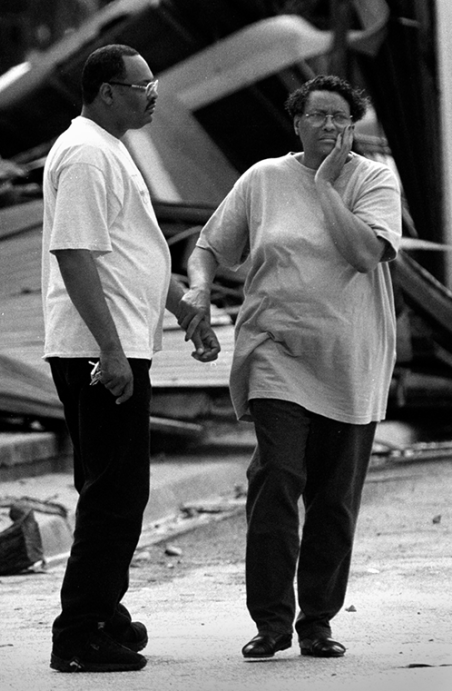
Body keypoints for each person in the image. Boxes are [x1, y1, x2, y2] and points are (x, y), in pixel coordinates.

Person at [181, 75, 402, 660]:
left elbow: (363, 253)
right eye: (318, 115)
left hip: (350, 361)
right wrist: (199, 293)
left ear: (353, 126)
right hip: (276, 354)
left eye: (341, 118)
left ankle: (318, 623)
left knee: (333, 499)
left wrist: (328, 186)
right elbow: (207, 247)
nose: (330, 126)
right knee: (276, 479)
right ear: (297, 122)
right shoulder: (263, 179)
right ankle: (272, 622)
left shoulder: (374, 180)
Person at [42, 44, 219, 673]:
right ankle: (80, 633)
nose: (152, 96)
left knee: (106, 484)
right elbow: (74, 253)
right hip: (100, 351)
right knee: (117, 492)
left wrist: (184, 308)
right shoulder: (88, 154)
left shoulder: (107, 147)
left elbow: (131, 253)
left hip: (110, 344)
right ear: (107, 91)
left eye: (154, 85)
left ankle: (103, 608)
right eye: (143, 87)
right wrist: (112, 352)